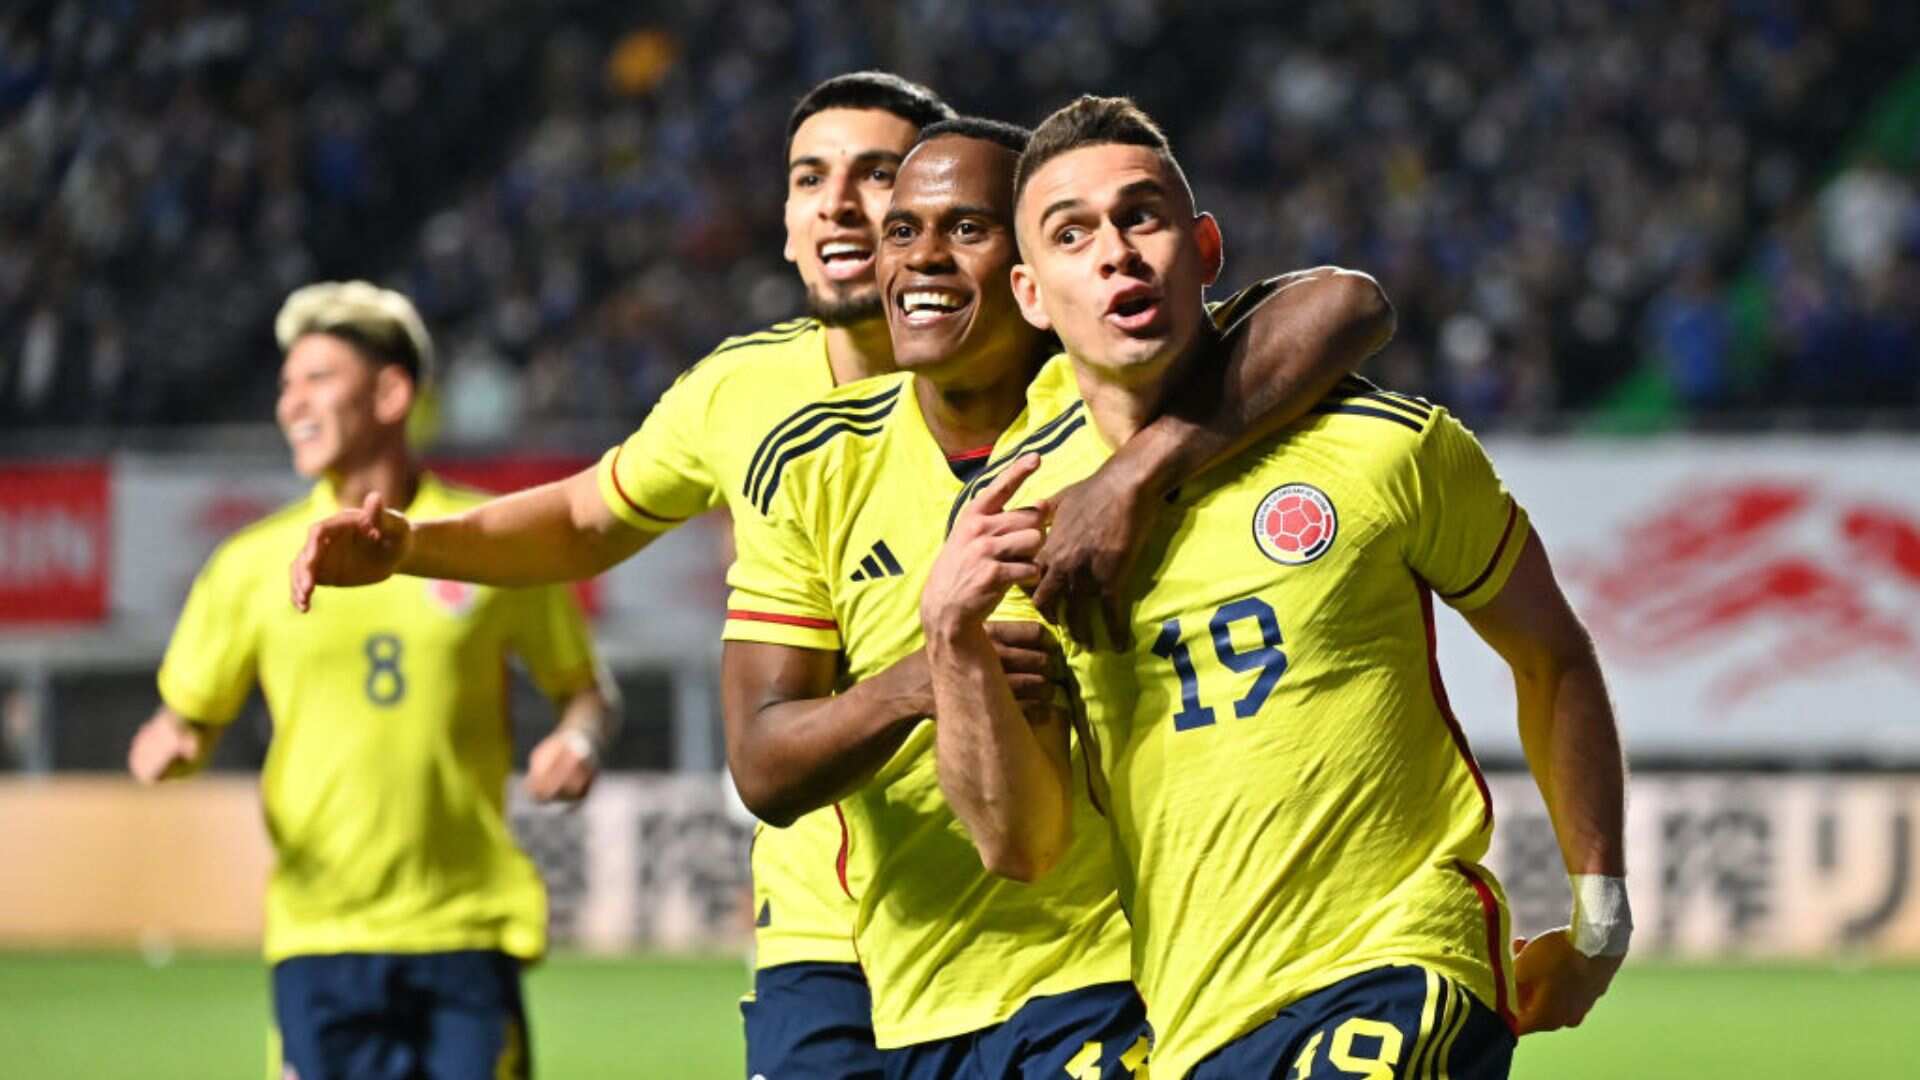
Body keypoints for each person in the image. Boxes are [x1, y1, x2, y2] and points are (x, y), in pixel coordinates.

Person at [922, 96, 1631, 1080]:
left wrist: (1598, 915)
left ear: (1205, 249)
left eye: (1143, 217)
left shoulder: (1381, 446)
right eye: (1072, 233)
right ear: (1032, 293)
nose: (1116, 251)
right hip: (1196, 1027)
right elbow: (1023, 842)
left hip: (1401, 966)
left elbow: (1550, 653)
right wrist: (951, 641)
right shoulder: (1017, 521)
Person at [289, 72, 954, 1080]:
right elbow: (584, 516)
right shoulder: (741, 391)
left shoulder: (1050, 376)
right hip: (830, 936)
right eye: (810, 178)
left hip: (1039, 926)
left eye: (875, 175)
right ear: (783, 223)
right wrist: (413, 545)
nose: (837, 203)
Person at [721, 116, 1392, 1077]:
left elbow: (1342, 303)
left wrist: (1135, 474)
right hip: (889, 973)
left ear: (1035, 275)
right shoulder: (816, 463)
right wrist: (926, 680)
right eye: (903, 232)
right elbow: (762, 765)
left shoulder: (1128, 396)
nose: (924, 261)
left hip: (1111, 969)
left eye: (968, 230)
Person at [128, 280, 615, 1080]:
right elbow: (186, 717)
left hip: (464, 932)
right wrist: (168, 743)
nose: (291, 403)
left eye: (317, 378)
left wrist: (579, 737)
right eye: (286, 385)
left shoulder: (490, 540)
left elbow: (586, 691)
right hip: (320, 940)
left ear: (391, 392)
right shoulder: (249, 565)